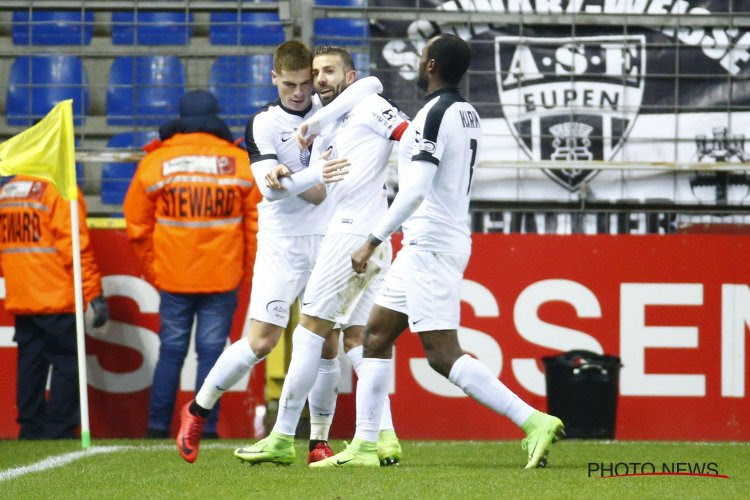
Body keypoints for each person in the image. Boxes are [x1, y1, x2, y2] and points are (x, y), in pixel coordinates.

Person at [311, 34, 565, 469]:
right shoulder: (467, 113)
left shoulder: (434, 114)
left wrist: (372, 239)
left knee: (442, 355)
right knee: (375, 337)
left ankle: (533, 420)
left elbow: (414, 192)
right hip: (428, 242)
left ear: (430, 65)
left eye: (423, 52)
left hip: (431, 242)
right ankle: (367, 445)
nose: (419, 57)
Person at [174, 41, 390, 464]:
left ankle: (318, 441)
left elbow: (371, 86)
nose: (298, 92)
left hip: (329, 239)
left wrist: (297, 180)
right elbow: (272, 193)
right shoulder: (264, 124)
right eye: (289, 84)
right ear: (274, 78)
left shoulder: (333, 112)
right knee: (261, 341)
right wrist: (309, 176)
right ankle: (198, 409)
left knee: (327, 342)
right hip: (283, 244)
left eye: (305, 83)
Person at [232, 45, 410, 467]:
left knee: (310, 332)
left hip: (352, 235)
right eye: (317, 73)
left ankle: (281, 436)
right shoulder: (336, 117)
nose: (319, 80)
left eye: (329, 72)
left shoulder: (368, 104)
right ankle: (381, 437)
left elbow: (407, 131)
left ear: (349, 77)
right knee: (361, 341)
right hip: (367, 235)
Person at [123, 89, 262, 439]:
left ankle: (156, 428)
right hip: (223, 277)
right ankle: (206, 428)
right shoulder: (239, 163)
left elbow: (137, 225)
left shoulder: (156, 162)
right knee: (213, 354)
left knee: (170, 352)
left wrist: (156, 269)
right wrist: (244, 270)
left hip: (172, 278)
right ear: (216, 119)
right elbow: (257, 225)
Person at [0, 174, 108, 439]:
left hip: (22, 293)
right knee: (67, 362)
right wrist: (93, 292)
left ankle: (30, 426)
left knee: (30, 361)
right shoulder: (58, 189)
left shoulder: (8, 191)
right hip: (55, 292)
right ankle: (58, 428)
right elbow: (74, 247)